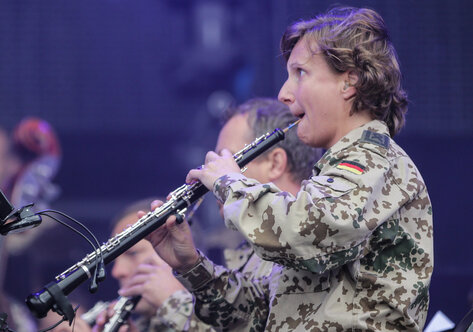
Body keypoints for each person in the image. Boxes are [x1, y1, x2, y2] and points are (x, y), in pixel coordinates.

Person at [148, 6, 433, 331]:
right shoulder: (328, 180)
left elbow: (305, 233)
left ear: (349, 81)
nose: (284, 93)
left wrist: (230, 183)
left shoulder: (374, 159)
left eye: (300, 72)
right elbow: (256, 317)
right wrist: (191, 265)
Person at [119, 98, 320, 332]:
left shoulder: (313, 240)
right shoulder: (249, 252)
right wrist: (191, 265)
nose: (210, 177)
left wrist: (172, 302)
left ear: (275, 163)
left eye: (228, 161)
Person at [93, 198, 209, 332]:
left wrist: (176, 305)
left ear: (180, 251)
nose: (117, 272)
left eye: (133, 253)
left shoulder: (232, 307)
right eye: (114, 261)